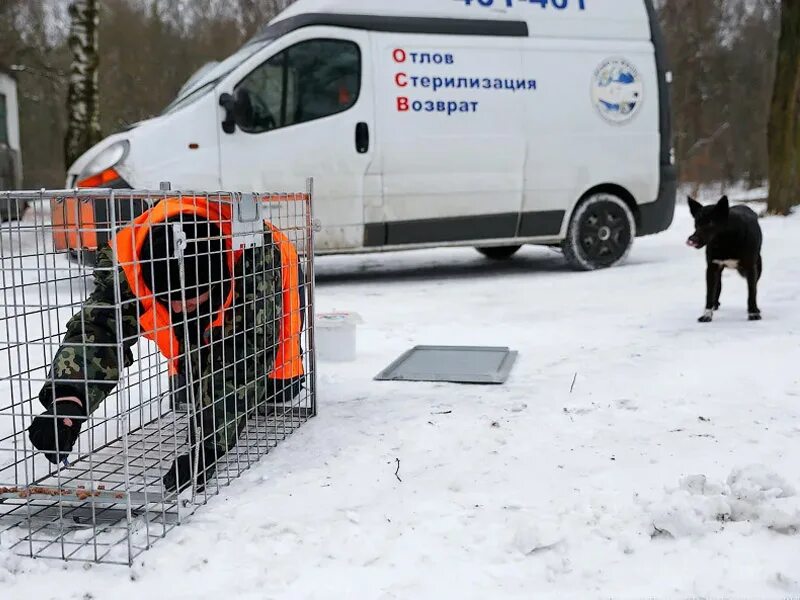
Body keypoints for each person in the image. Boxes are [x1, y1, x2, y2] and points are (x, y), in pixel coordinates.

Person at [27, 196, 305, 493]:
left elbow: (249, 349)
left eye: (194, 303)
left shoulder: (253, 255)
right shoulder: (127, 265)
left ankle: (280, 372)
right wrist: (69, 399)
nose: (182, 311)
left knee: (277, 386)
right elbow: (99, 328)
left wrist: (209, 447)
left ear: (219, 281)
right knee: (191, 385)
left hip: (267, 295)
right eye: (172, 303)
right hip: (196, 317)